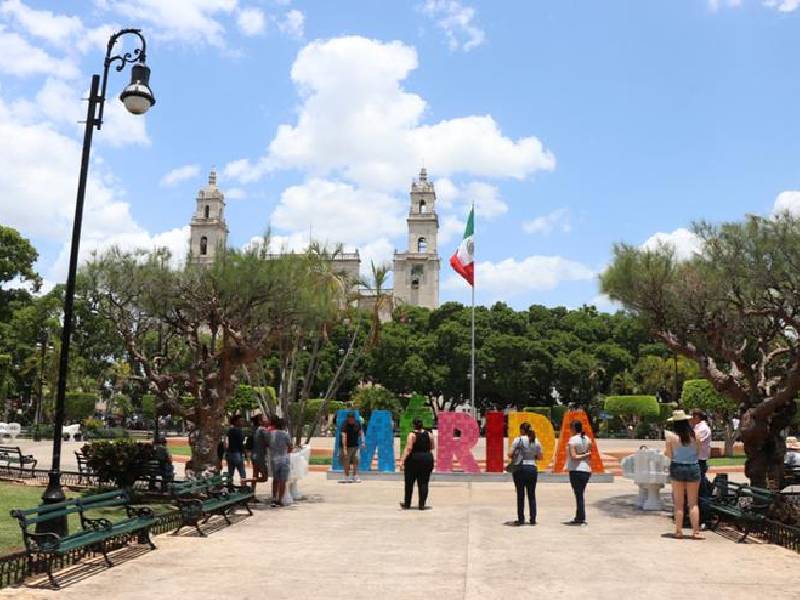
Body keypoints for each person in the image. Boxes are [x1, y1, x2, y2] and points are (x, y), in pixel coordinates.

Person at [665, 410, 704, 540]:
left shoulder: (671, 436)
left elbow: (669, 455)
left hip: (677, 467)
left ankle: (678, 531)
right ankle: (696, 532)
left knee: (678, 503)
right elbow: (698, 452)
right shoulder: (696, 435)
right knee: (693, 503)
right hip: (693, 466)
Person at [508, 422, 543, 526]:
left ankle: (521, 519)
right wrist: (532, 456)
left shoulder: (518, 440)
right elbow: (540, 457)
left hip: (520, 468)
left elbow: (510, 454)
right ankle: (532, 519)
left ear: (522, 430)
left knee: (521, 495)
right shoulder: (536, 441)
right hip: (532, 468)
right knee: (532, 495)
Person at [400, 418, 435, 510]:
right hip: (426, 459)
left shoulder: (412, 435)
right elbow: (432, 447)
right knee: (424, 482)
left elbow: (408, 449)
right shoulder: (429, 434)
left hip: (413, 460)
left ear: (413, 425)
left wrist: (402, 461)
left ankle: (407, 504)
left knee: (409, 482)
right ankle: (422, 504)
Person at [565, 420, 592, 526]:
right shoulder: (587, 439)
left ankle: (581, 517)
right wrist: (585, 455)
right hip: (586, 469)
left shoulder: (572, 440)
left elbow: (574, 456)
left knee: (579, 495)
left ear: (573, 428)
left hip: (576, 470)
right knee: (580, 494)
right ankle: (579, 516)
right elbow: (589, 454)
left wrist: (582, 456)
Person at [267, 417, 293, 507]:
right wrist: (286, 451)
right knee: (283, 480)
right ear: (283, 425)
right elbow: (290, 447)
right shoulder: (285, 434)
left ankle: (274, 498)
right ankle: (280, 499)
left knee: (275, 479)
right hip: (284, 459)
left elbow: (268, 445)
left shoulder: (271, 434)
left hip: (274, 459)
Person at [690, 408, 712, 496]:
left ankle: (705, 505)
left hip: (699, 460)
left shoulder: (703, 429)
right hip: (696, 459)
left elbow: (694, 442)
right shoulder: (697, 427)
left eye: (692, 416)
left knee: (701, 488)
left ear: (697, 417)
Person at [340, 412, 366, 483]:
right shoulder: (344, 424)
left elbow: (361, 433)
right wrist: (344, 449)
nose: (351, 420)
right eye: (350, 419)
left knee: (356, 461)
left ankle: (355, 477)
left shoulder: (357, 423)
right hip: (346, 446)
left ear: (354, 418)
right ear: (348, 419)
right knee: (346, 462)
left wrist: (363, 441)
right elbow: (343, 437)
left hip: (355, 446)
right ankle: (346, 477)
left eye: (352, 419)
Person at [250, 414, 270, 497]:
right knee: (265, 477)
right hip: (260, 456)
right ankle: (246, 481)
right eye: (265, 419)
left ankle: (252, 495)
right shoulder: (262, 430)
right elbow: (269, 441)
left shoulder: (255, 429)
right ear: (260, 421)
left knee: (255, 474)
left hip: (254, 455)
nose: (267, 420)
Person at [225, 414, 247, 484]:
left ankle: (230, 487)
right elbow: (240, 443)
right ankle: (244, 487)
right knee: (242, 472)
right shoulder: (238, 431)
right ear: (236, 422)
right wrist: (244, 452)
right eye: (241, 421)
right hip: (237, 453)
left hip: (230, 453)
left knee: (230, 473)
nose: (242, 422)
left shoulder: (230, 430)